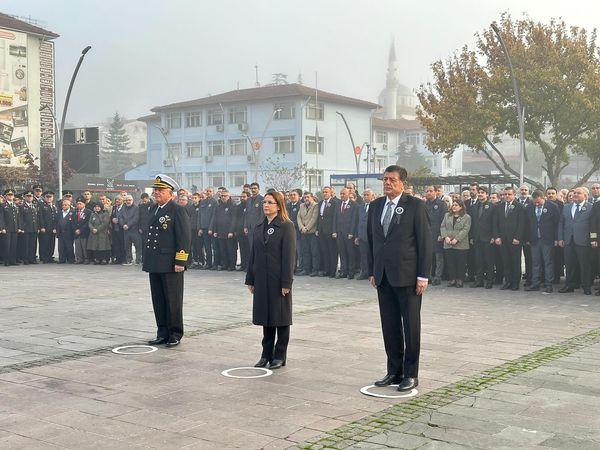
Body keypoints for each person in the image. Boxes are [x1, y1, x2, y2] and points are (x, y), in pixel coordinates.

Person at [368, 165, 432, 392]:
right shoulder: (375, 206)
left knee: (411, 327)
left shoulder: (415, 206)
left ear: (402, 183)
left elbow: (425, 243)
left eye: (392, 180)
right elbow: (372, 241)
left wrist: (423, 275)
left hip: (408, 276)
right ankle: (394, 371)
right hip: (384, 275)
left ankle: (411, 374)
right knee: (390, 325)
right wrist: (373, 270)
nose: (387, 183)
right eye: (385, 179)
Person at [245, 191, 296, 370]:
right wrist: (250, 278)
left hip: (278, 280)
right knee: (266, 318)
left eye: (270, 202)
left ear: (279, 205)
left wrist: (286, 283)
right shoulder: (259, 227)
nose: (266, 205)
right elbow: (253, 255)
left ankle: (279, 355)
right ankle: (265, 354)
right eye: (265, 202)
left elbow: (289, 257)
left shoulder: (286, 226)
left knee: (280, 318)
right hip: (261, 279)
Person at [143, 174, 191, 347]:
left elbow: (184, 238)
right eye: (155, 190)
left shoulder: (177, 210)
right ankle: (162, 332)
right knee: (158, 299)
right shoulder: (152, 209)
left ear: (170, 193)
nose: (156, 193)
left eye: (160, 190)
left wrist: (181, 262)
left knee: (173, 299)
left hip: (170, 262)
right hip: (155, 261)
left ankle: (175, 333)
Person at [558, 186, 593, 295]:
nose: (575, 195)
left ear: (585, 196)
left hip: (583, 241)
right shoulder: (566, 207)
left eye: (579, 193)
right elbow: (561, 223)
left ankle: (586, 286)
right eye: (574, 193)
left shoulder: (590, 207)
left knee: (584, 265)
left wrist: (593, 238)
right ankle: (569, 285)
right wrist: (560, 238)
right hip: (568, 240)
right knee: (569, 265)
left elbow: (593, 225)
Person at [524, 190, 559, 293]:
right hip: (534, 239)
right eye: (535, 202)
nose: (537, 204)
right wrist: (527, 238)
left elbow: (557, 224)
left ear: (543, 198)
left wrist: (557, 238)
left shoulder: (552, 207)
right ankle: (535, 283)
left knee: (548, 262)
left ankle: (549, 284)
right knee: (535, 262)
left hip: (547, 239)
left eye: (539, 202)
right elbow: (527, 224)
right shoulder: (529, 207)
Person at [440, 199, 471, 287]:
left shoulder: (466, 217)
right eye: (453, 205)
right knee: (451, 262)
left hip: (461, 244)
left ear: (461, 207)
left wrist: (457, 239)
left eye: (456, 205)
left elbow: (465, 229)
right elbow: (442, 226)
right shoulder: (447, 215)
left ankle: (460, 279)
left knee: (460, 263)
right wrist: (445, 237)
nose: (454, 206)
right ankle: (452, 279)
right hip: (448, 243)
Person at [424, 185, 447, 285]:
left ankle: (437, 277)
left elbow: (444, 220)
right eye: (427, 191)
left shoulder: (441, 204)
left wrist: (441, 234)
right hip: (426, 234)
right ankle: (428, 276)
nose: (429, 193)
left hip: (437, 234)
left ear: (435, 192)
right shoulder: (424, 204)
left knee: (438, 257)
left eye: (431, 191)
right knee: (428, 257)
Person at [297, 191, 320, 277]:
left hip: (312, 233)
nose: (306, 199)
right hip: (303, 233)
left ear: (312, 197)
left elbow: (314, 218)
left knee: (314, 252)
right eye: (305, 197)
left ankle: (315, 270)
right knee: (305, 252)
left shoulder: (315, 206)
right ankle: (306, 269)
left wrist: (307, 228)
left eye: (308, 197)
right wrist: (302, 227)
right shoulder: (301, 205)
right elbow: (298, 217)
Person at [56, 199, 76, 263]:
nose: (64, 206)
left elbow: (74, 222)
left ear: (69, 205)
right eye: (63, 205)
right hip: (61, 232)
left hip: (69, 233)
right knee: (61, 247)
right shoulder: (59, 213)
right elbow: (56, 222)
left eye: (65, 205)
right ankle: (62, 259)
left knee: (69, 247)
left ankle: (70, 259)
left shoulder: (73, 212)